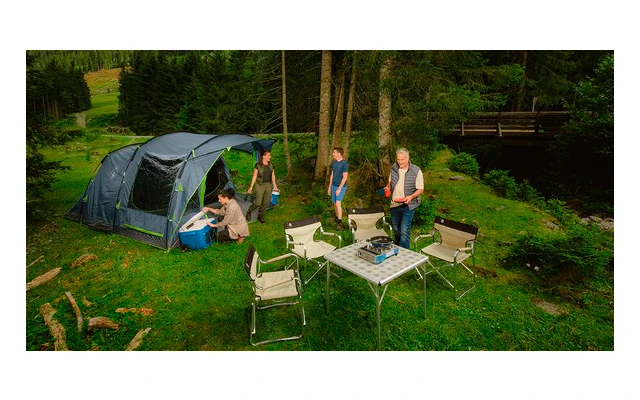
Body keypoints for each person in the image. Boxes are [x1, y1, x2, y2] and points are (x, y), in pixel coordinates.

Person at [384, 148, 424, 249]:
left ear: (408, 158)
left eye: (402, 159)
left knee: (404, 230)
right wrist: (387, 188)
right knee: (396, 229)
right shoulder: (394, 168)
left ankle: (404, 254)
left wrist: (411, 196)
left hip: (408, 205)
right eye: (398, 159)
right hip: (394, 203)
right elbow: (390, 182)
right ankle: (397, 250)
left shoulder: (416, 171)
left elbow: (420, 189)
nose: (400, 162)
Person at [247, 149, 279, 223]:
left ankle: (260, 214)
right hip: (260, 185)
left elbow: (273, 175)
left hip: (268, 185)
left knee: (266, 201)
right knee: (258, 202)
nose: (270, 157)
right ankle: (249, 210)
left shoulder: (271, 165)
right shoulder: (258, 165)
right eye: (268, 155)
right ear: (263, 156)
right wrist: (251, 187)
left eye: (270, 155)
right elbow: (254, 176)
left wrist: (275, 185)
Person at [327, 147, 348, 229]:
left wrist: (339, 189)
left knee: (338, 203)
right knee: (335, 204)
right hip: (333, 186)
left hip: (341, 187)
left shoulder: (344, 164)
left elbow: (345, 177)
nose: (333, 154)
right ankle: (336, 218)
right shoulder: (334, 163)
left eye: (334, 153)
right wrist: (329, 187)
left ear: (339, 154)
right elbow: (332, 175)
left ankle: (340, 222)